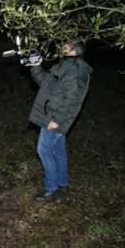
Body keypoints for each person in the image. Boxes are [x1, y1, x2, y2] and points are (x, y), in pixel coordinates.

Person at [28, 40, 92, 202]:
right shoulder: (64, 65)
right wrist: (36, 66)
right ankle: (62, 184)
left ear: (74, 52)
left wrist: (57, 119)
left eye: (65, 47)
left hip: (56, 117)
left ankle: (51, 189)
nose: (61, 48)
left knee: (43, 150)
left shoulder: (77, 71)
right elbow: (45, 84)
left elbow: (73, 99)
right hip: (51, 113)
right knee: (58, 151)